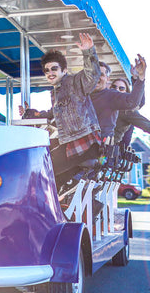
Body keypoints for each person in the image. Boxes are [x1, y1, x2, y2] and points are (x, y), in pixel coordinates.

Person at [19, 33, 102, 188]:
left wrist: (88, 51)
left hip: (83, 143)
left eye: (54, 69)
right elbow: (53, 114)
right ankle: (62, 206)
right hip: (71, 142)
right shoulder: (56, 92)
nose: (50, 73)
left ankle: (49, 206)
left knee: (43, 167)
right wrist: (30, 113)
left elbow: (92, 75)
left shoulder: (73, 82)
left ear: (64, 70)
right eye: (46, 70)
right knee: (46, 169)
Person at [90, 55, 146, 142]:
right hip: (76, 148)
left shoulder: (111, 96)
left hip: (101, 148)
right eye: (93, 73)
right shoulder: (81, 95)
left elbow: (135, 102)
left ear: (107, 79)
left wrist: (139, 78)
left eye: (100, 74)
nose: (96, 77)